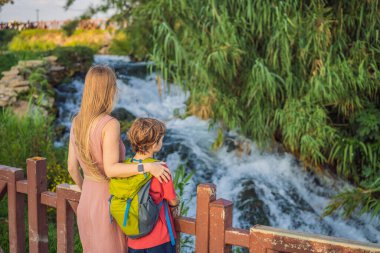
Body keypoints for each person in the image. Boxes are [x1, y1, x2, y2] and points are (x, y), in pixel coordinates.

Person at [67, 65, 171, 253]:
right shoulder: (110, 124)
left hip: (86, 202)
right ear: (109, 90)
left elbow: (71, 168)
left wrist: (86, 191)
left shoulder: (77, 121)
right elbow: (111, 169)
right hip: (110, 202)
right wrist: (147, 168)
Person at [124, 118, 179, 253]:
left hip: (134, 239)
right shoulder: (160, 168)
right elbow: (172, 199)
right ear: (154, 144)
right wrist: (177, 203)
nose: (162, 142)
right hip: (159, 239)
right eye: (161, 139)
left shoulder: (125, 167)